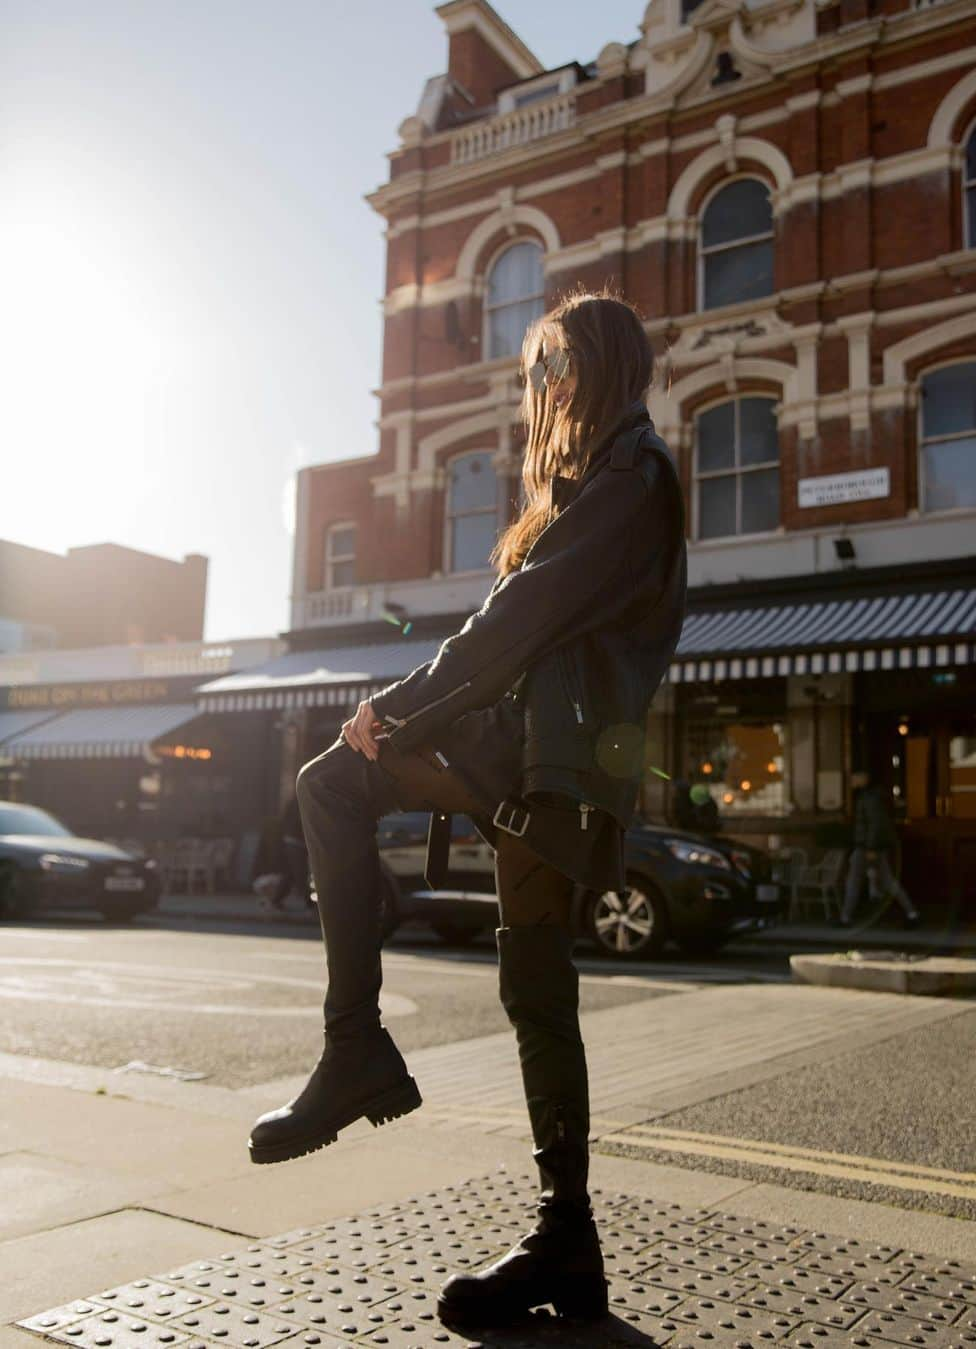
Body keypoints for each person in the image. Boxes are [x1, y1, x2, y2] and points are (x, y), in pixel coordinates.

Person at [245, 289, 688, 1329]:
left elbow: (517, 620)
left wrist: (395, 708)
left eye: (554, 365)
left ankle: (356, 1049)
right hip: (539, 754)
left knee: (330, 783)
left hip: (551, 760)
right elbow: (521, 626)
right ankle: (566, 1244)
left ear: (604, 367)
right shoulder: (597, 480)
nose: (540, 387)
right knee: (536, 982)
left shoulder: (631, 475)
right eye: (535, 370)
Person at [839, 770, 921, 928]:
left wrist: (871, 847)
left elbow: (874, 824)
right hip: (870, 846)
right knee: (888, 882)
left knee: (854, 881)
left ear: (864, 778)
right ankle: (912, 913)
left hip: (866, 847)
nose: (851, 780)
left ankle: (845, 917)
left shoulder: (869, 798)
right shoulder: (870, 796)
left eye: (855, 777)